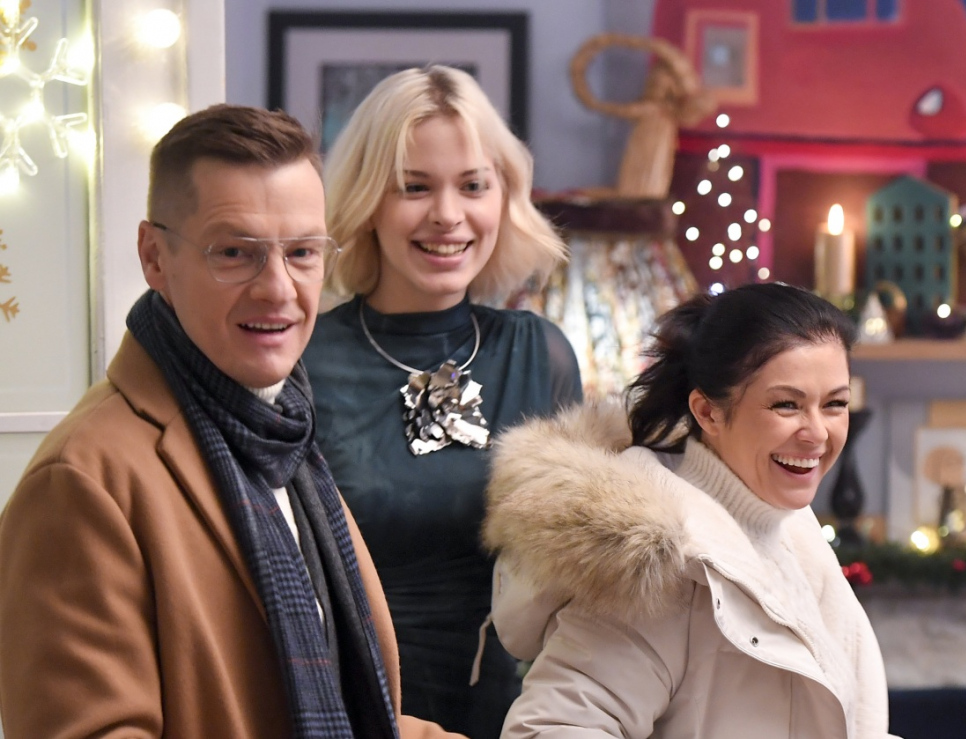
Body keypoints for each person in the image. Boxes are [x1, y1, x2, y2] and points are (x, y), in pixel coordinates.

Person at [0, 104, 462, 739]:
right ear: (154, 257)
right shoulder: (80, 481)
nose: (278, 288)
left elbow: (349, 713)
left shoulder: (281, 435)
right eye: (236, 253)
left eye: (302, 252)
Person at [484, 282, 896, 738]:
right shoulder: (664, 562)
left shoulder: (791, 530)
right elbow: (549, 728)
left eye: (835, 404)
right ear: (708, 412)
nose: (817, 433)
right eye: (786, 405)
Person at [303, 66, 582, 739]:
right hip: (355, 712)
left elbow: (581, 588)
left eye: (473, 185)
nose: (449, 215)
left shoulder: (540, 353)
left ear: (503, 197)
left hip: (519, 719)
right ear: (368, 199)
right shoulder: (302, 361)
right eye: (415, 187)